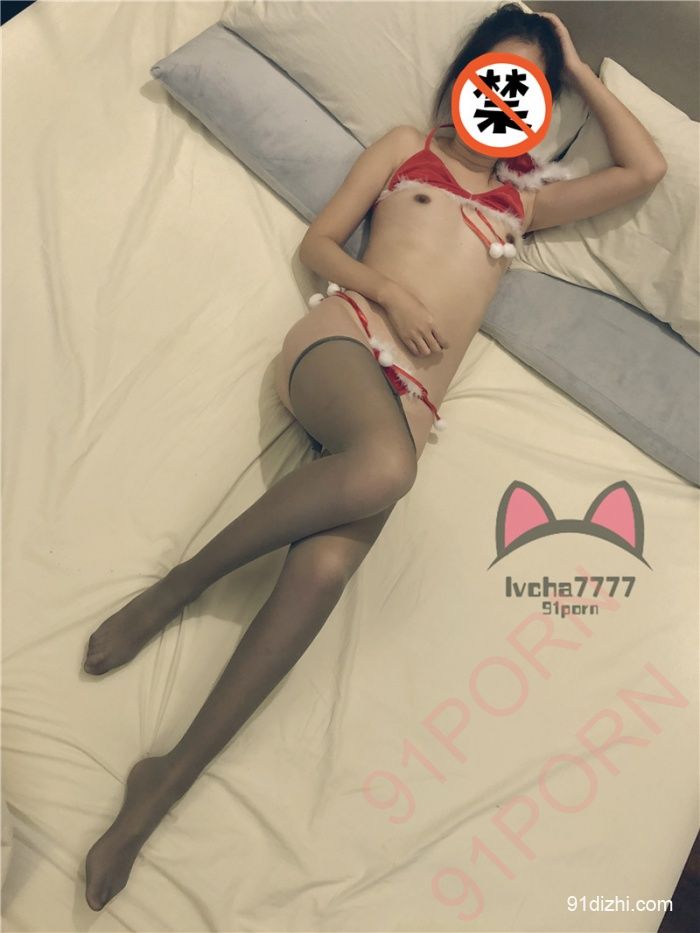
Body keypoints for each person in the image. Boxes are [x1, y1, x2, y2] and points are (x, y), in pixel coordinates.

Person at [83, 3, 667, 911]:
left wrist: (578, 66)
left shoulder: (524, 204)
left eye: (528, 89)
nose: (504, 99)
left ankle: (162, 784)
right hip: (344, 338)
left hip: (410, 407)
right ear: (464, 80)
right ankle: (178, 586)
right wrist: (390, 292)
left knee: (321, 575)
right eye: (495, 76)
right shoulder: (405, 149)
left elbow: (646, 170)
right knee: (390, 470)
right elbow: (318, 242)